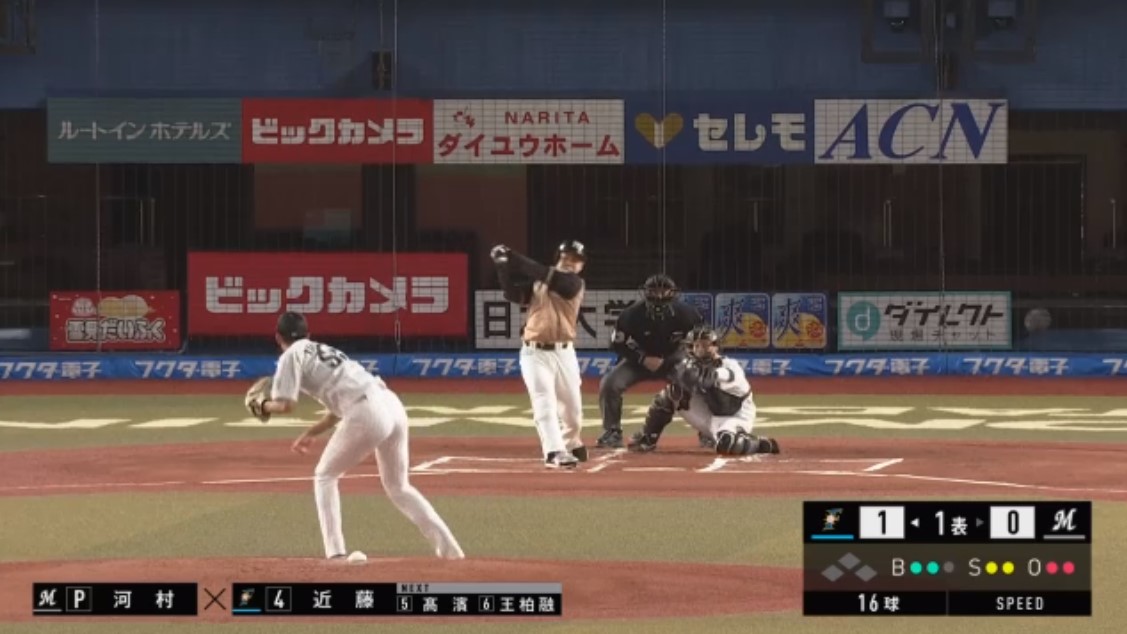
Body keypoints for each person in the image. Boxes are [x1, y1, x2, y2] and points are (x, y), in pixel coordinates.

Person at [246, 311, 465, 561]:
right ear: (308, 334)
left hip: (368, 413)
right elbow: (339, 407)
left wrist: (262, 405)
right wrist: (312, 432)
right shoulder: (323, 350)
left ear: (278, 337)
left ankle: (335, 553)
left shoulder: (290, 356)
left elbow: (286, 405)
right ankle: (450, 550)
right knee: (399, 487)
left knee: (325, 476)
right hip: (391, 404)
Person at [491, 240, 588, 469]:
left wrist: (512, 255)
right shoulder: (539, 282)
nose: (570, 263)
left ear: (581, 266)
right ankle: (554, 451)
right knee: (544, 401)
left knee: (573, 411)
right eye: (566, 258)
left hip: (564, 353)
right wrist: (502, 265)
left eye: (575, 260)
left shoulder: (574, 283)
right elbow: (512, 294)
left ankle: (570, 441)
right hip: (534, 353)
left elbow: (544, 273)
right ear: (558, 259)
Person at [627, 325, 781, 456]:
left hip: (735, 416)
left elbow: (715, 377)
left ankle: (760, 444)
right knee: (673, 393)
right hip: (709, 414)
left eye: (706, 345)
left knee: (727, 445)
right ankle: (648, 438)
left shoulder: (730, 366)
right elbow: (679, 378)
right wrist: (681, 374)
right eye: (697, 345)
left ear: (716, 346)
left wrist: (699, 374)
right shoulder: (688, 365)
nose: (701, 349)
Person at [596, 274, 710, 449]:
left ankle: (707, 432)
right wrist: (642, 358)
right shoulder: (631, 314)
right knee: (610, 383)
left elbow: (701, 341)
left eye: (664, 291)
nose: (659, 295)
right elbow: (616, 344)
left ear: (673, 292)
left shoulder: (688, 314)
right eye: (654, 291)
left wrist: (676, 359)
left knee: (699, 381)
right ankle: (612, 432)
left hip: (674, 359)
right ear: (645, 292)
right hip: (639, 360)